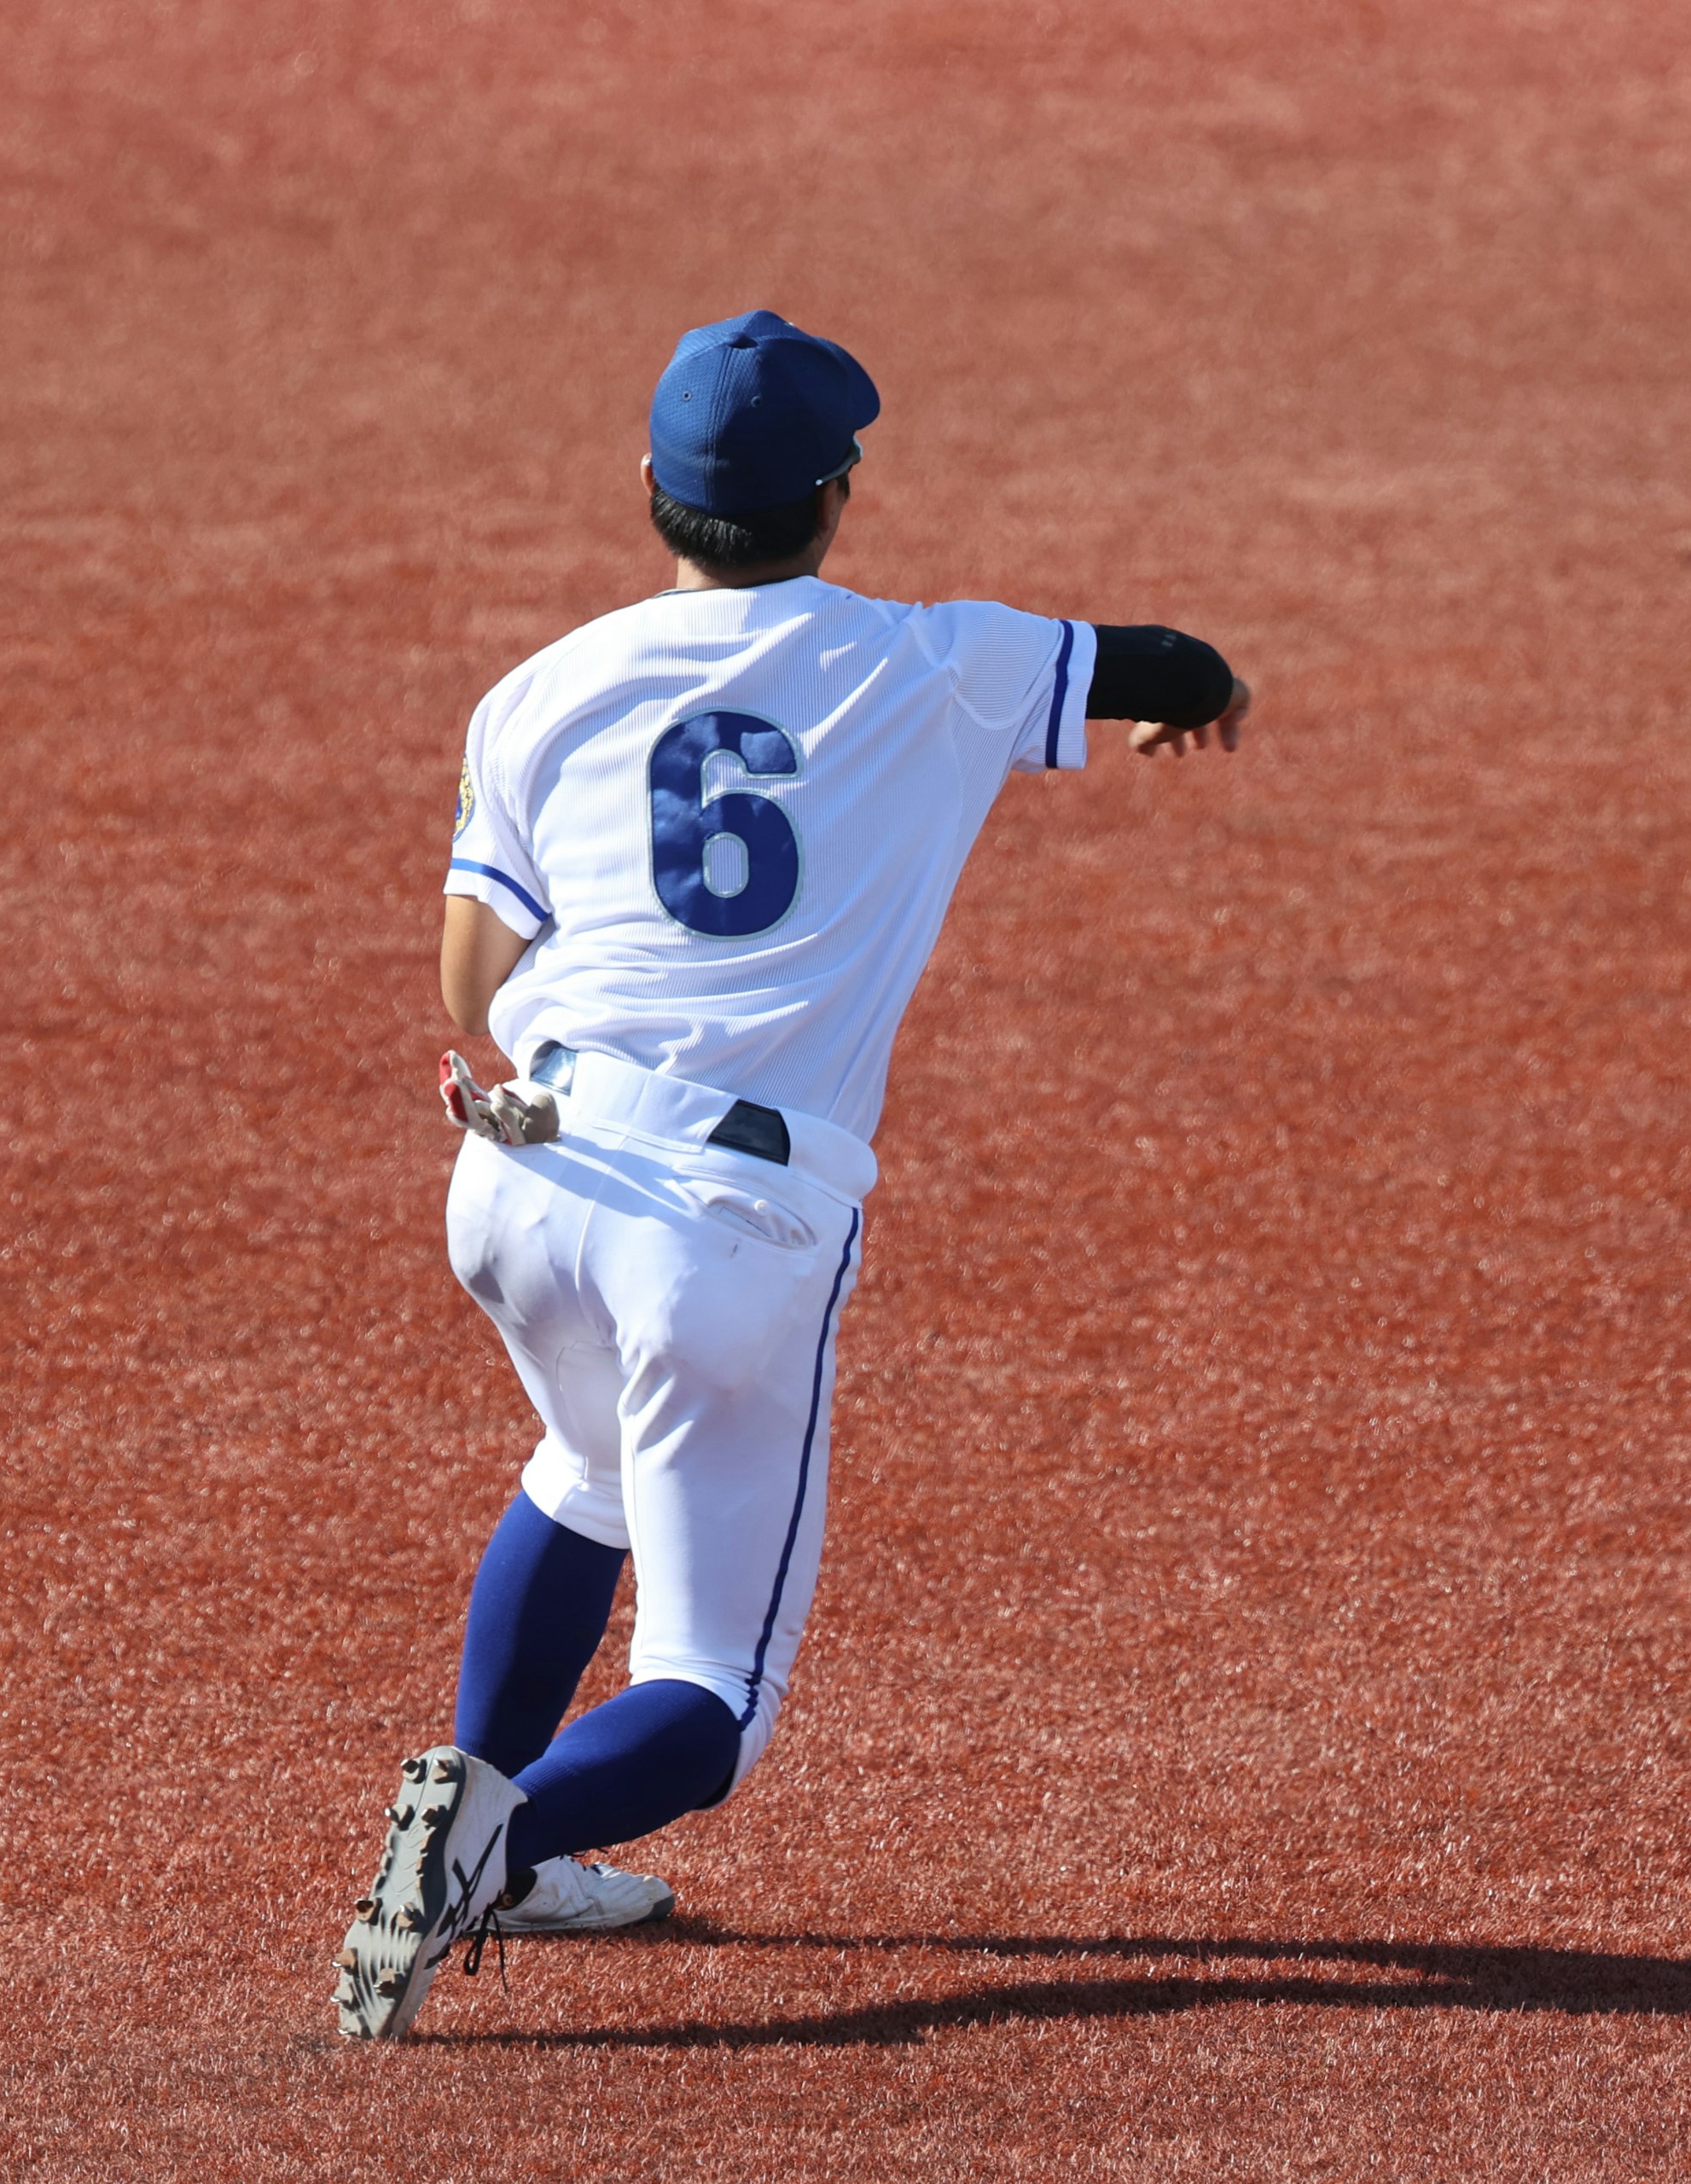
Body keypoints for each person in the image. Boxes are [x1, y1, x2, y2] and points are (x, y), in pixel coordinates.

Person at [330, 308, 1249, 2041]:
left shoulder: (536, 689)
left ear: (652, 497)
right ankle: (485, 1832)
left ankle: (500, 1847)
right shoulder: (940, 659)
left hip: (524, 1183)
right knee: (711, 1694)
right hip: (730, 1226)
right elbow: (1177, 661)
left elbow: (470, 983)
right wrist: (1197, 702)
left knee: (591, 1457)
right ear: (839, 495)